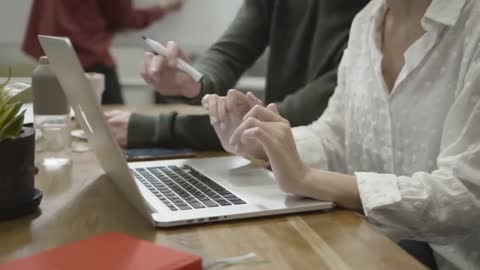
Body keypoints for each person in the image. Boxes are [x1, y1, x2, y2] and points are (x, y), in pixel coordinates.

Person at [203, 0, 480, 269]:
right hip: (378, 244)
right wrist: (261, 141)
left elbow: (464, 195)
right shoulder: (366, 22)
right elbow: (334, 136)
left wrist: (307, 179)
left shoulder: (473, 27)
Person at [105, 0, 369, 149]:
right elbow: (228, 54)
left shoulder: (379, 15)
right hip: (274, 165)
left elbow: (291, 119)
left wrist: (155, 129)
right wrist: (194, 81)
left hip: (337, 183)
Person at [22, 0, 182, 104]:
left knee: (56, 134)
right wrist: (164, 8)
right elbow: (124, 19)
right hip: (89, 62)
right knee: (110, 133)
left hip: (51, 59)